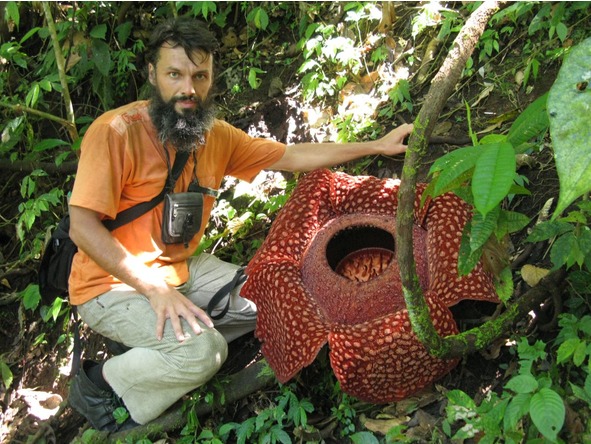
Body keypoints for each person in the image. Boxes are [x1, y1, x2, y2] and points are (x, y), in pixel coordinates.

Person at [66, 15, 413, 431]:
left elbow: (292, 156)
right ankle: (102, 383)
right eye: (174, 75)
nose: (188, 89)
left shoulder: (216, 137)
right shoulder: (115, 133)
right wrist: (155, 290)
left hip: (180, 270)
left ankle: (168, 341)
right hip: (108, 285)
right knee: (202, 353)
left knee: (280, 298)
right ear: (152, 75)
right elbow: (82, 227)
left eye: (199, 76)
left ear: (211, 78)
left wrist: (377, 145)